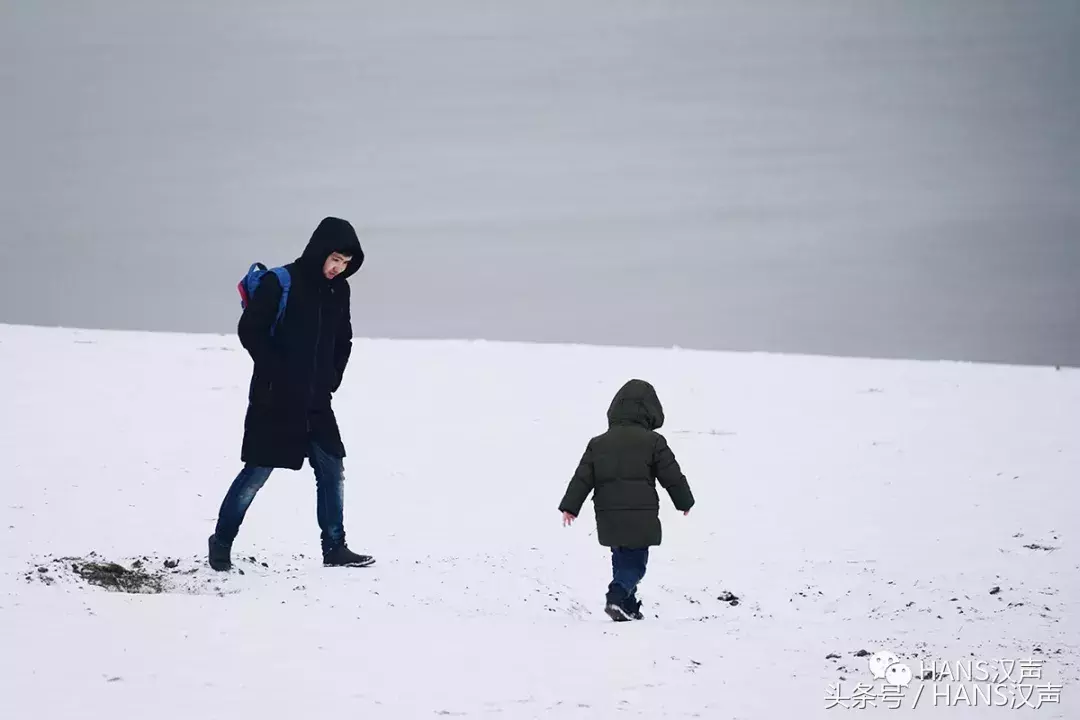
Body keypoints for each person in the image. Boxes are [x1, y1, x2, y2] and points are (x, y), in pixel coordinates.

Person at [207, 216, 374, 571]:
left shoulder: (339, 290)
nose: (337, 269)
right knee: (256, 473)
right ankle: (221, 543)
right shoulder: (279, 281)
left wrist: (332, 377)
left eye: (345, 264)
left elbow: (343, 337)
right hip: (276, 399)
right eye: (334, 260)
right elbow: (250, 330)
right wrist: (276, 371)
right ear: (318, 251)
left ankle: (334, 547)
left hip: (316, 401)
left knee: (332, 468)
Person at [558, 379, 694, 621]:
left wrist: (571, 506)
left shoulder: (598, 443)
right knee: (636, 564)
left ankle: (628, 607)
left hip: (608, 513)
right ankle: (617, 596)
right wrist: (684, 501)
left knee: (621, 558)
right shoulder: (653, 442)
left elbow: (582, 477)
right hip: (640, 514)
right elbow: (671, 475)